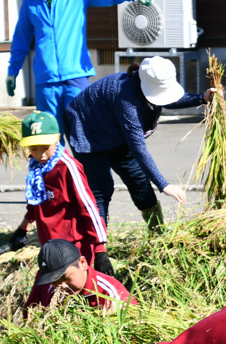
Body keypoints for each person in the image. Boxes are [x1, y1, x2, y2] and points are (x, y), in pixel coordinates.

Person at [6, 0, 154, 139]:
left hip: (76, 74)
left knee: (83, 136)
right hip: (46, 80)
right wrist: (12, 72)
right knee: (49, 139)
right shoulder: (29, 1)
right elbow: (20, 40)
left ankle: (86, 171)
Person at [65, 57, 207, 229]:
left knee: (139, 180)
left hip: (115, 132)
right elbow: (138, 148)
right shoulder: (126, 98)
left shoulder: (145, 85)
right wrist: (164, 185)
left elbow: (167, 99)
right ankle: (98, 247)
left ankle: (158, 232)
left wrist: (202, 98)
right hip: (87, 132)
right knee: (101, 189)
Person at [8, 112, 112, 306]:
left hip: (74, 249)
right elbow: (35, 200)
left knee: (79, 296)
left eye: (45, 147)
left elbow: (88, 207)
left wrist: (100, 250)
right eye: (34, 148)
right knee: (38, 303)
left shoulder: (67, 167)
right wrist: (23, 228)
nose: (41, 154)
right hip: (50, 250)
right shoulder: (37, 168)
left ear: (57, 138)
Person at [24, 238, 135, 313]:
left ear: (83, 263)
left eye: (66, 278)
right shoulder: (52, 290)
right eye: (54, 281)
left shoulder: (111, 294)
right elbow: (30, 314)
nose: (62, 286)